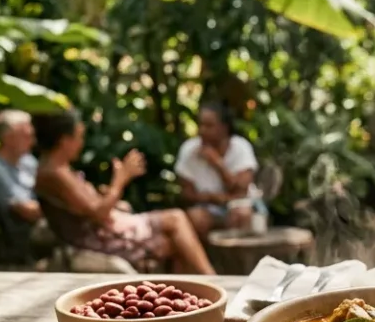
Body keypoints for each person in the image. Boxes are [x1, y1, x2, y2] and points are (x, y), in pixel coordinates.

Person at [32, 111, 216, 274]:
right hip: (97, 241)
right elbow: (98, 213)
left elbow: (84, 205)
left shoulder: (58, 169)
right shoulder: (54, 173)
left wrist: (109, 194)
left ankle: (189, 294)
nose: (81, 143)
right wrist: (120, 180)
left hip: (109, 228)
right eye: (79, 137)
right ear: (64, 141)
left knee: (176, 233)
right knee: (175, 222)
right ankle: (213, 282)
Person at [176, 103, 259, 237]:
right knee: (195, 218)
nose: (202, 130)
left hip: (241, 206)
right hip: (207, 208)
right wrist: (212, 198)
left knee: (241, 215)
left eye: (209, 126)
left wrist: (217, 164)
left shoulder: (240, 148)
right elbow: (186, 194)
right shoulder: (189, 150)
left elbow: (240, 191)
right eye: (200, 125)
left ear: (224, 128)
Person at [0, 110, 43, 260]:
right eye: (26, 136)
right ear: (8, 138)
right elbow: (26, 210)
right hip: (22, 235)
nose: (32, 141)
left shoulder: (28, 162)